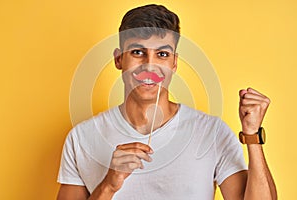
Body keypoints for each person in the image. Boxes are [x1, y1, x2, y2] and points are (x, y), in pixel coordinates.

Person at [57, 4, 277, 200]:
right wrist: (109, 185)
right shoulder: (82, 138)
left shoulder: (212, 132)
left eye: (162, 54)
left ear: (174, 62)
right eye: (137, 52)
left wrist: (252, 136)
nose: (149, 66)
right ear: (118, 59)